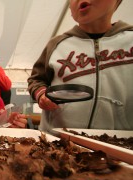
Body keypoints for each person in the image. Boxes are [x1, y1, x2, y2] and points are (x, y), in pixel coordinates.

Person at [27, 0, 133, 133]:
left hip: (120, 143)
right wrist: (42, 94)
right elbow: (36, 79)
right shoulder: (57, 44)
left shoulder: (130, 40)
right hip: (58, 141)